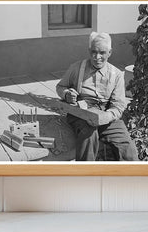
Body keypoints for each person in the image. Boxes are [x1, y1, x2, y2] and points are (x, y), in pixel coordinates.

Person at [56, 31, 139, 161]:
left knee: (127, 147)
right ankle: (86, 176)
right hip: (81, 114)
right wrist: (67, 95)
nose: (97, 57)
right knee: (88, 136)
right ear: (89, 51)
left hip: (106, 114)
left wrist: (107, 116)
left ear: (110, 53)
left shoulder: (116, 74)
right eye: (94, 52)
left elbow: (118, 105)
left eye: (102, 53)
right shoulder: (76, 68)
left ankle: (130, 178)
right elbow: (60, 87)